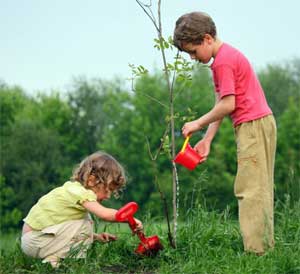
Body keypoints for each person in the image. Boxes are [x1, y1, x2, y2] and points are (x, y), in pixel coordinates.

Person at [173, 12, 276, 254]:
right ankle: (263, 248)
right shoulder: (221, 60)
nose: (192, 58)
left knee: (250, 189)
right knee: (258, 187)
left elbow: (228, 105)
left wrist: (197, 123)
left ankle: (258, 252)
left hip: (252, 126)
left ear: (207, 39)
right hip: (256, 124)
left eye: (193, 51)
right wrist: (207, 139)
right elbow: (222, 103)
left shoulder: (223, 62)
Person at [21, 151, 143, 268]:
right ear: (91, 181)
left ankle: (54, 263)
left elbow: (65, 229)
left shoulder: (74, 190)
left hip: (36, 239)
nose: (108, 196)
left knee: (85, 221)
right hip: (35, 239)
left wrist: (95, 237)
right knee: (85, 224)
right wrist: (129, 219)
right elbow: (105, 215)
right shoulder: (80, 193)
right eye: (107, 190)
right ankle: (69, 263)